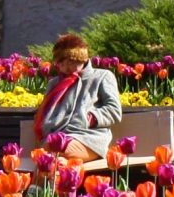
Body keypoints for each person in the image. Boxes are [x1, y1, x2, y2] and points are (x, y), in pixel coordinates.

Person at [36, 32, 123, 163]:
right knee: (50, 159)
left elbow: (114, 110)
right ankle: (49, 182)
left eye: (70, 63)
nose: (66, 68)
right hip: (56, 137)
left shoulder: (102, 76)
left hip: (88, 138)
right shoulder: (54, 83)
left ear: (81, 59)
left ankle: (51, 180)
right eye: (61, 63)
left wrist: (89, 118)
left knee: (56, 155)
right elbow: (45, 111)